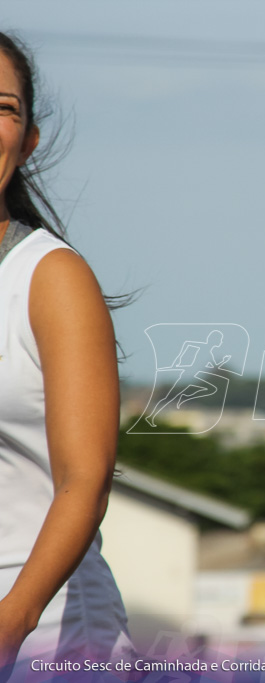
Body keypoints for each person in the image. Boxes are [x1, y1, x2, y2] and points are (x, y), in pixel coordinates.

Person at [0, 32, 132, 678]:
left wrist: (10, 621)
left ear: (28, 142)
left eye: (4, 108)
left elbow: (86, 482)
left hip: (52, 642)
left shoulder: (50, 278)